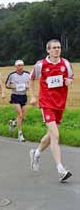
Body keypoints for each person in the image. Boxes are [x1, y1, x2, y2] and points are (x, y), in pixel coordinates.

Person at [29, 39, 74, 182]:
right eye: (54, 48)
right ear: (48, 50)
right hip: (46, 103)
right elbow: (31, 79)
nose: (57, 50)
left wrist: (69, 81)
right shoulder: (40, 65)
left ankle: (36, 153)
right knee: (55, 134)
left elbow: (71, 77)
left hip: (60, 104)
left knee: (50, 135)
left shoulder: (65, 63)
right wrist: (33, 96)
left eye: (59, 47)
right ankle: (61, 169)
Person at [5, 60, 30, 142]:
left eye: (22, 65)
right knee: (20, 114)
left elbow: (31, 83)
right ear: (16, 66)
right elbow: (7, 85)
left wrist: (27, 86)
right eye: (19, 65)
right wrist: (14, 87)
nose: (20, 67)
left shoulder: (27, 74)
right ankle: (20, 134)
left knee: (23, 117)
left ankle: (13, 123)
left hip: (24, 96)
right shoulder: (12, 75)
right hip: (15, 96)